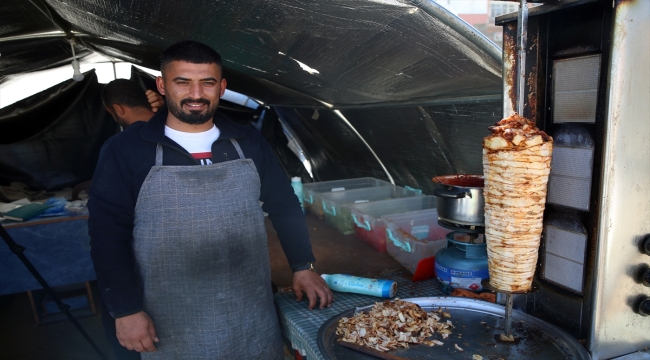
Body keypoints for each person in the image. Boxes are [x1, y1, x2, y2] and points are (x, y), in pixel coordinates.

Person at [88, 40, 333, 359]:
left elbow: (284, 205)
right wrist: (125, 310)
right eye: (182, 82)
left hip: (250, 310)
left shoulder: (247, 141)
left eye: (207, 82)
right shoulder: (127, 150)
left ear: (222, 87)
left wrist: (303, 265)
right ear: (162, 85)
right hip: (170, 317)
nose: (196, 94)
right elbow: (107, 234)